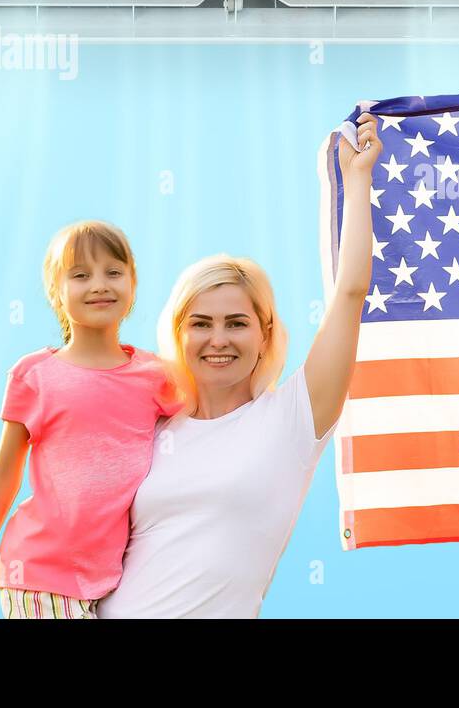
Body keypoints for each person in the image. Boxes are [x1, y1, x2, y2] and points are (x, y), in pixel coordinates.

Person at [97, 113, 381, 618]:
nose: (218, 339)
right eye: (201, 323)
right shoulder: (150, 430)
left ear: (265, 333)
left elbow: (350, 295)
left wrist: (356, 181)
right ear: (179, 332)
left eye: (236, 323)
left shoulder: (293, 418)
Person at [0, 220, 182, 619]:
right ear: (56, 293)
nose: (99, 284)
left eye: (113, 272)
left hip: (117, 579)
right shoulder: (35, 376)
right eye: (80, 275)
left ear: (132, 286)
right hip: (38, 574)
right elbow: (5, 475)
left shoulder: (158, 376)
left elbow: (208, 430)